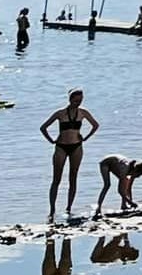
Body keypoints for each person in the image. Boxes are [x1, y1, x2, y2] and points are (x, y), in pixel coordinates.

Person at [41, 90, 100, 222]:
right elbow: (43, 127)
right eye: (75, 100)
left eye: (80, 100)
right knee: (57, 179)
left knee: (73, 178)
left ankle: (68, 208)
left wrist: (85, 138)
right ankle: (52, 210)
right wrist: (51, 140)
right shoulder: (60, 113)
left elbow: (95, 125)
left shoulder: (83, 113)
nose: (78, 103)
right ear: (70, 99)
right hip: (61, 147)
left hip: (76, 147)